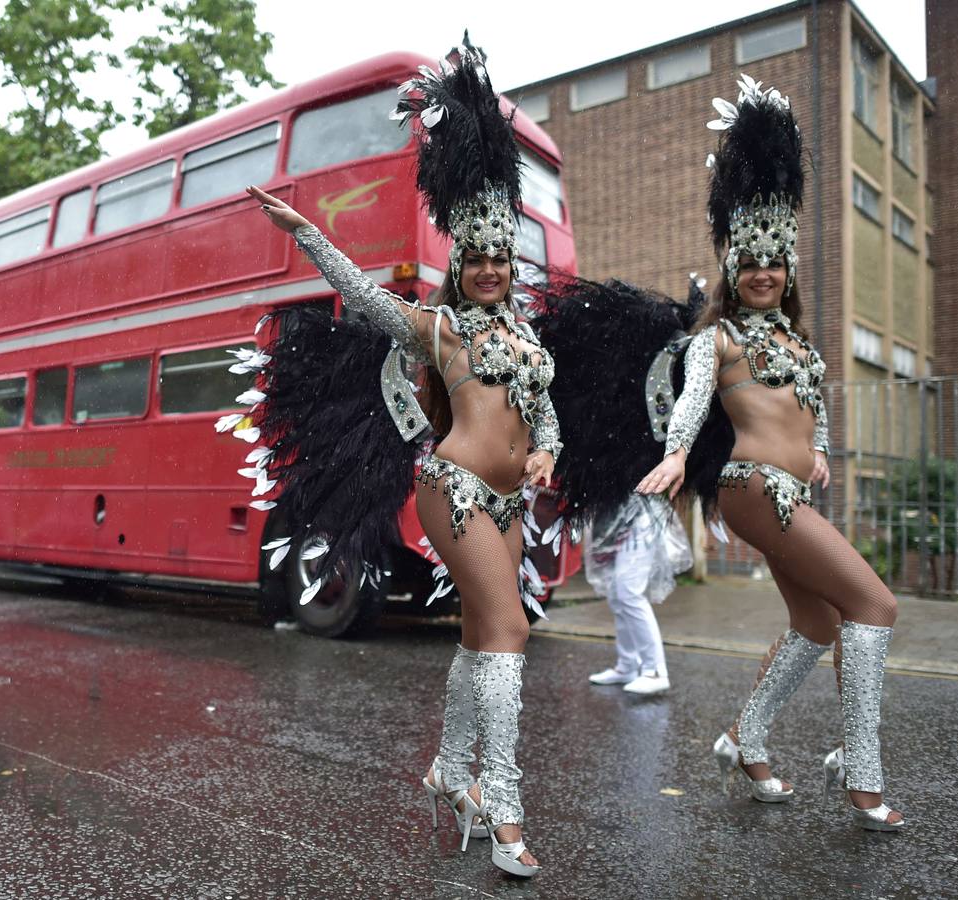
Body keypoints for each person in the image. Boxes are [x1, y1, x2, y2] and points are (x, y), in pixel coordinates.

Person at [235, 37, 555, 877]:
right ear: (461, 261)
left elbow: (544, 415)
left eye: (498, 257)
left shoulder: (525, 337)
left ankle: (452, 770)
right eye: (475, 257)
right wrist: (309, 232)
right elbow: (365, 296)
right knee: (511, 629)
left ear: (511, 262)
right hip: (451, 490)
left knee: (484, 631)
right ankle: (504, 807)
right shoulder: (439, 328)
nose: (488, 268)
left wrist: (548, 454)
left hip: (512, 501)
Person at [635, 75, 903, 830]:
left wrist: (816, 452)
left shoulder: (795, 340)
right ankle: (859, 771)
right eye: (749, 262)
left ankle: (747, 741)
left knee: (819, 624)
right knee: (874, 605)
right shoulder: (715, 338)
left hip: (792, 488)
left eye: (774, 263)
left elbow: (809, 408)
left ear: (787, 268)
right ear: (732, 268)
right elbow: (691, 401)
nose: (762, 273)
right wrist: (681, 453)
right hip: (753, 486)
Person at [586, 493, 691, 695]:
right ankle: (628, 666)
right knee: (617, 595)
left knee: (629, 593)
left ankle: (655, 672)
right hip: (613, 514)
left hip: (639, 514)